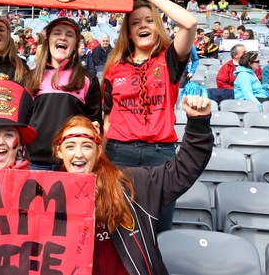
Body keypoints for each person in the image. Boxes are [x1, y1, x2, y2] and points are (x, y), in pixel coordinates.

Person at [53, 95, 214, 275]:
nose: (79, 154)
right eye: (70, 146)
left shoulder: (131, 183)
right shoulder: (46, 196)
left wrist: (198, 124)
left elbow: (182, 170)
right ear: (58, 152)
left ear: (98, 151)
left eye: (87, 146)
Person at [101, 0, 198, 234]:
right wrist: (101, 153)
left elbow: (189, 23)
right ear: (128, 33)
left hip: (161, 156)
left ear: (156, 27)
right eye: (135, 23)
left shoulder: (170, 60)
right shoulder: (113, 69)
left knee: (158, 228)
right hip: (119, 153)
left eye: (148, 21)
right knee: (117, 226)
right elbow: (108, 118)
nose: (142, 25)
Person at [22, 17, 102, 170]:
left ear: (75, 44)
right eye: (57, 33)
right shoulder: (31, 78)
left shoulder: (88, 79)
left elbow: (95, 119)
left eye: (69, 35)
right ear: (48, 40)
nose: (63, 37)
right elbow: (24, 121)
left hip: (72, 164)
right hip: (35, 163)